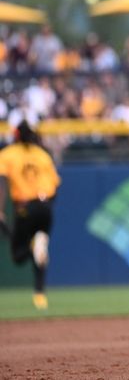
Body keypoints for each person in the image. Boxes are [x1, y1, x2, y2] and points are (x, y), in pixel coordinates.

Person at [0, 120, 61, 310]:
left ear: (16, 135)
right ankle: (40, 295)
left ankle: (34, 247)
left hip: (25, 207)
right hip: (46, 206)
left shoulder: (8, 154)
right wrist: (47, 206)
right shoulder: (42, 155)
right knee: (40, 252)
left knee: (18, 255)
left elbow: (1, 182)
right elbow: (56, 186)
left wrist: (0, 209)